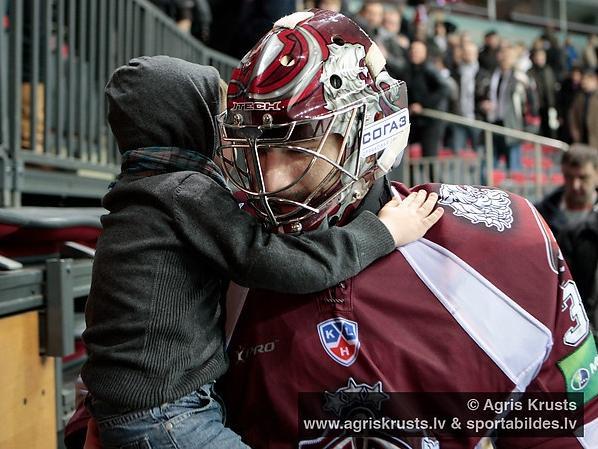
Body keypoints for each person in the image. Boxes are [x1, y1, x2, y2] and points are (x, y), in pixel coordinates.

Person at [217, 10, 598, 448]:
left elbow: (558, 429)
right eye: (258, 146)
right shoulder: (212, 258)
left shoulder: (500, 245)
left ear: (371, 128)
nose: (272, 180)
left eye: (299, 141)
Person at [74, 54, 442, 449]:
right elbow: (280, 263)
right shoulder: (185, 192)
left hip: (127, 409)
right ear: (189, 120)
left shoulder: (134, 195)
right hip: (167, 415)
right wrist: (383, 231)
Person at [399, 40, 450, 157]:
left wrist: (423, 104)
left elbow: (444, 89)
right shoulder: (407, 69)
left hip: (430, 119)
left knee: (429, 156)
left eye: (417, 51)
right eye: (412, 50)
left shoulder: (429, 69)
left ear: (425, 54)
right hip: (413, 119)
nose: (414, 53)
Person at [536, 144, 598, 240]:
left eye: (583, 178)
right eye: (569, 177)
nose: (575, 185)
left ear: (596, 174)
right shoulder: (541, 214)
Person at [569, 69, 598, 148]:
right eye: (583, 80)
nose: (584, 83)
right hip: (582, 137)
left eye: (587, 80)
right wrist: (574, 131)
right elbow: (572, 115)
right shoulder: (579, 97)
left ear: (595, 80)